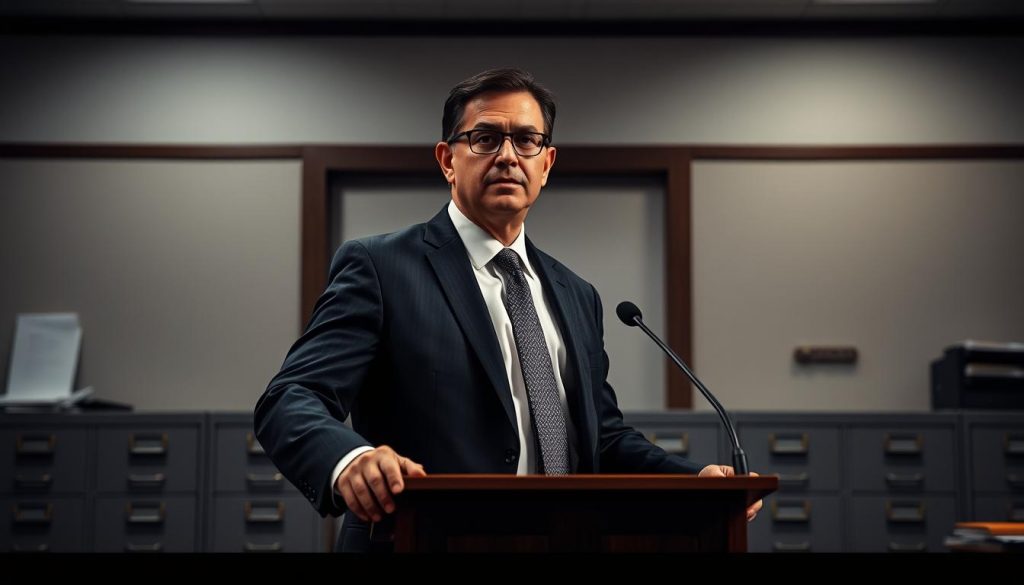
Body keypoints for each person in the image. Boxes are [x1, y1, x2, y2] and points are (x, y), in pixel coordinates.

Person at [254, 67, 761, 552]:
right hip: (423, 541)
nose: (507, 156)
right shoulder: (381, 267)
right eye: (485, 138)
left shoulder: (576, 293)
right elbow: (290, 397)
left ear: (547, 163)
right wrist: (350, 459)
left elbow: (601, 438)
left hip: (566, 541)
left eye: (526, 140)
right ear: (447, 159)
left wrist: (693, 482)